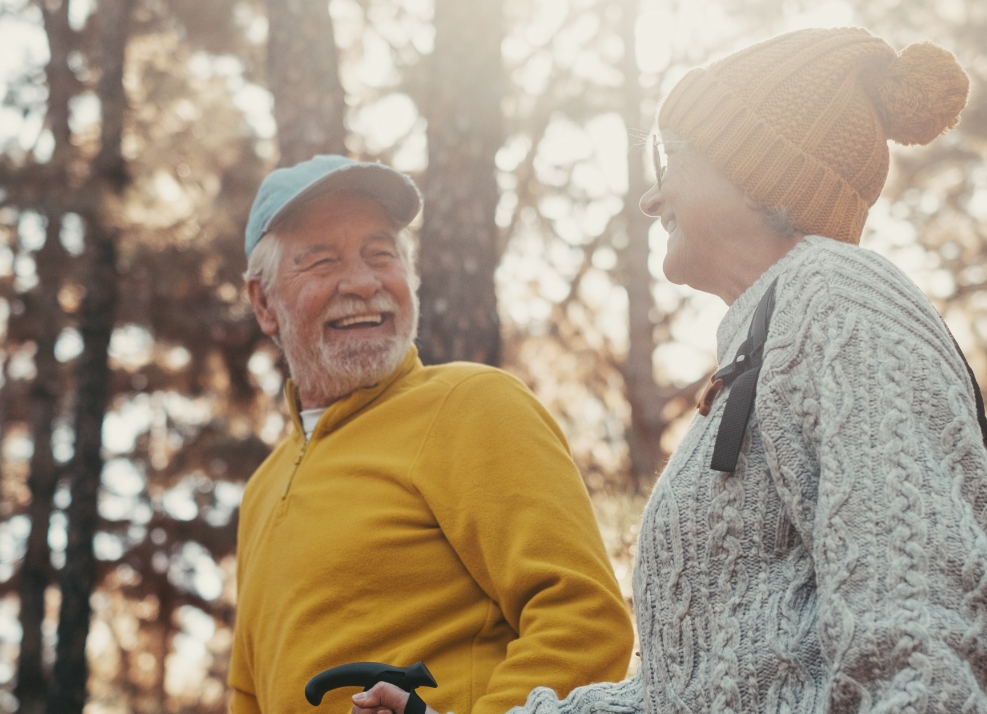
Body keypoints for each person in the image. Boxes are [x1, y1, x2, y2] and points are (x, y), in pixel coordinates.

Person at [352, 27, 987, 714]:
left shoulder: (842, 301)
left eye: (671, 160)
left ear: (753, 169)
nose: (650, 200)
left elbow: (918, 635)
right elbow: (680, 694)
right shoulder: (766, 340)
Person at [227, 155, 634, 714]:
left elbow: (585, 619)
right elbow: (247, 696)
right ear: (263, 303)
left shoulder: (473, 405)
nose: (364, 282)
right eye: (322, 261)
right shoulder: (260, 490)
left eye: (381, 253)